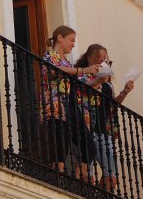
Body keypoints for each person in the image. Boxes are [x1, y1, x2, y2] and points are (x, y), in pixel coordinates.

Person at [76, 44, 135, 191]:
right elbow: (80, 90)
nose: (104, 62)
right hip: (88, 126)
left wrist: (124, 92)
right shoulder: (82, 75)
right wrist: (98, 80)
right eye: (100, 58)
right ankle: (85, 197)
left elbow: (112, 104)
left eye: (106, 59)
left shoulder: (108, 83)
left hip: (105, 130)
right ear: (90, 58)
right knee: (87, 173)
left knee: (112, 175)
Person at [42, 26, 100, 173]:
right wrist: (84, 70)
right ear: (60, 38)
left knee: (90, 149)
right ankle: (57, 180)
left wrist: (99, 80)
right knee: (60, 150)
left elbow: (78, 85)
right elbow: (55, 70)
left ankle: (77, 179)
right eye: (71, 40)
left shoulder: (68, 64)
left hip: (71, 107)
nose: (73, 44)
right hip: (56, 106)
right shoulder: (51, 55)